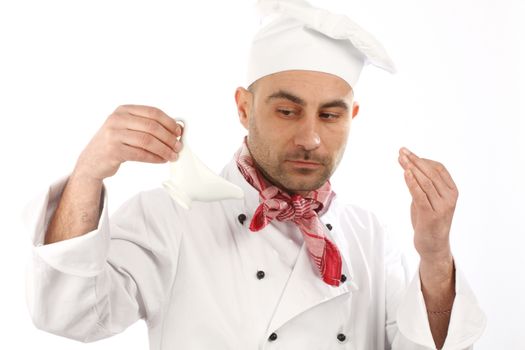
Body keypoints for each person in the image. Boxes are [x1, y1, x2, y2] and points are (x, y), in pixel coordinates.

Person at [25, 1, 485, 349]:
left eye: (330, 115)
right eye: (287, 110)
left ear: (353, 116)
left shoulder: (371, 236)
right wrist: (88, 173)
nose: (311, 138)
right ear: (244, 108)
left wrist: (435, 255)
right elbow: (68, 314)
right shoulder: (170, 217)